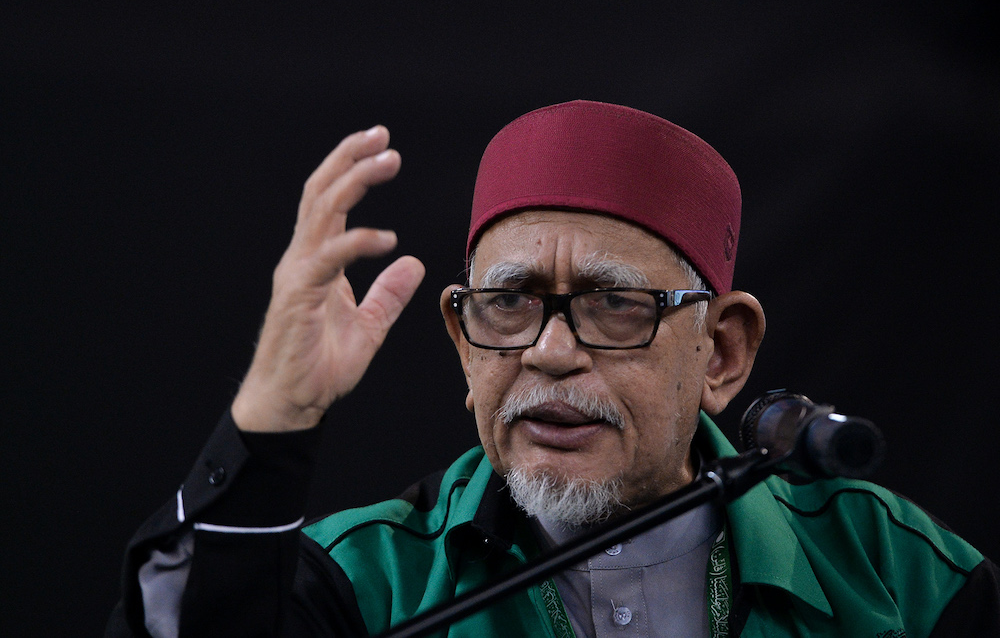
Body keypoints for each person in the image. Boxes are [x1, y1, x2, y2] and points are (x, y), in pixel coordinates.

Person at [107, 101, 999, 637]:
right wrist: (276, 413)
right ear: (463, 346)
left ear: (721, 351)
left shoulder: (897, 573)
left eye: (614, 304)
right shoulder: (363, 581)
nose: (549, 351)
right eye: (509, 303)